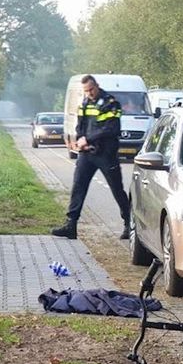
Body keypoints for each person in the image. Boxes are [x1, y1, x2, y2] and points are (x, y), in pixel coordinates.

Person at [51, 75, 131, 240]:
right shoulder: (85, 103)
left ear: (97, 86)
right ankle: (71, 224)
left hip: (106, 154)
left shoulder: (111, 103)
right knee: (78, 186)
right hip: (87, 154)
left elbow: (111, 129)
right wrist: (81, 140)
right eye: (86, 91)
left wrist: (88, 139)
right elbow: (80, 125)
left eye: (91, 90)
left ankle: (129, 224)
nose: (89, 93)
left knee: (117, 190)